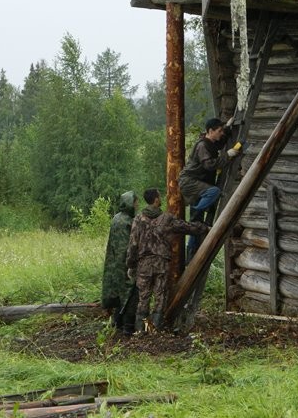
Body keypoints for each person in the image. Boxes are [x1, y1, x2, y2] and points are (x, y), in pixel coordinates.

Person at [126, 188, 209, 333]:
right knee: (160, 297)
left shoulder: (138, 219)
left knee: (143, 298)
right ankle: (155, 330)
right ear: (156, 200)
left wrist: (131, 265)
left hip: (143, 265)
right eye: (159, 196)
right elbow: (187, 227)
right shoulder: (167, 218)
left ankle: (142, 330)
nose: (161, 198)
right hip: (161, 264)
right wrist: (205, 228)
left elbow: (133, 245)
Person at [178, 117, 241, 257]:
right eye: (219, 131)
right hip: (189, 181)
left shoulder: (211, 142)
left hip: (197, 182)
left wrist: (227, 127)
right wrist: (227, 155)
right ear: (210, 131)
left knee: (196, 224)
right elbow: (209, 165)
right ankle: (197, 208)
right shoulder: (202, 146)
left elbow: (221, 142)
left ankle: (191, 256)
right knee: (215, 191)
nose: (221, 134)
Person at [100, 190, 138, 335]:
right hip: (123, 263)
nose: (137, 205)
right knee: (129, 292)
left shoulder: (117, 218)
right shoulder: (125, 222)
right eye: (135, 202)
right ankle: (128, 327)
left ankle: (117, 323)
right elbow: (124, 248)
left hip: (114, 263)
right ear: (130, 203)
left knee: (119, 292)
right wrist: (131, 264)